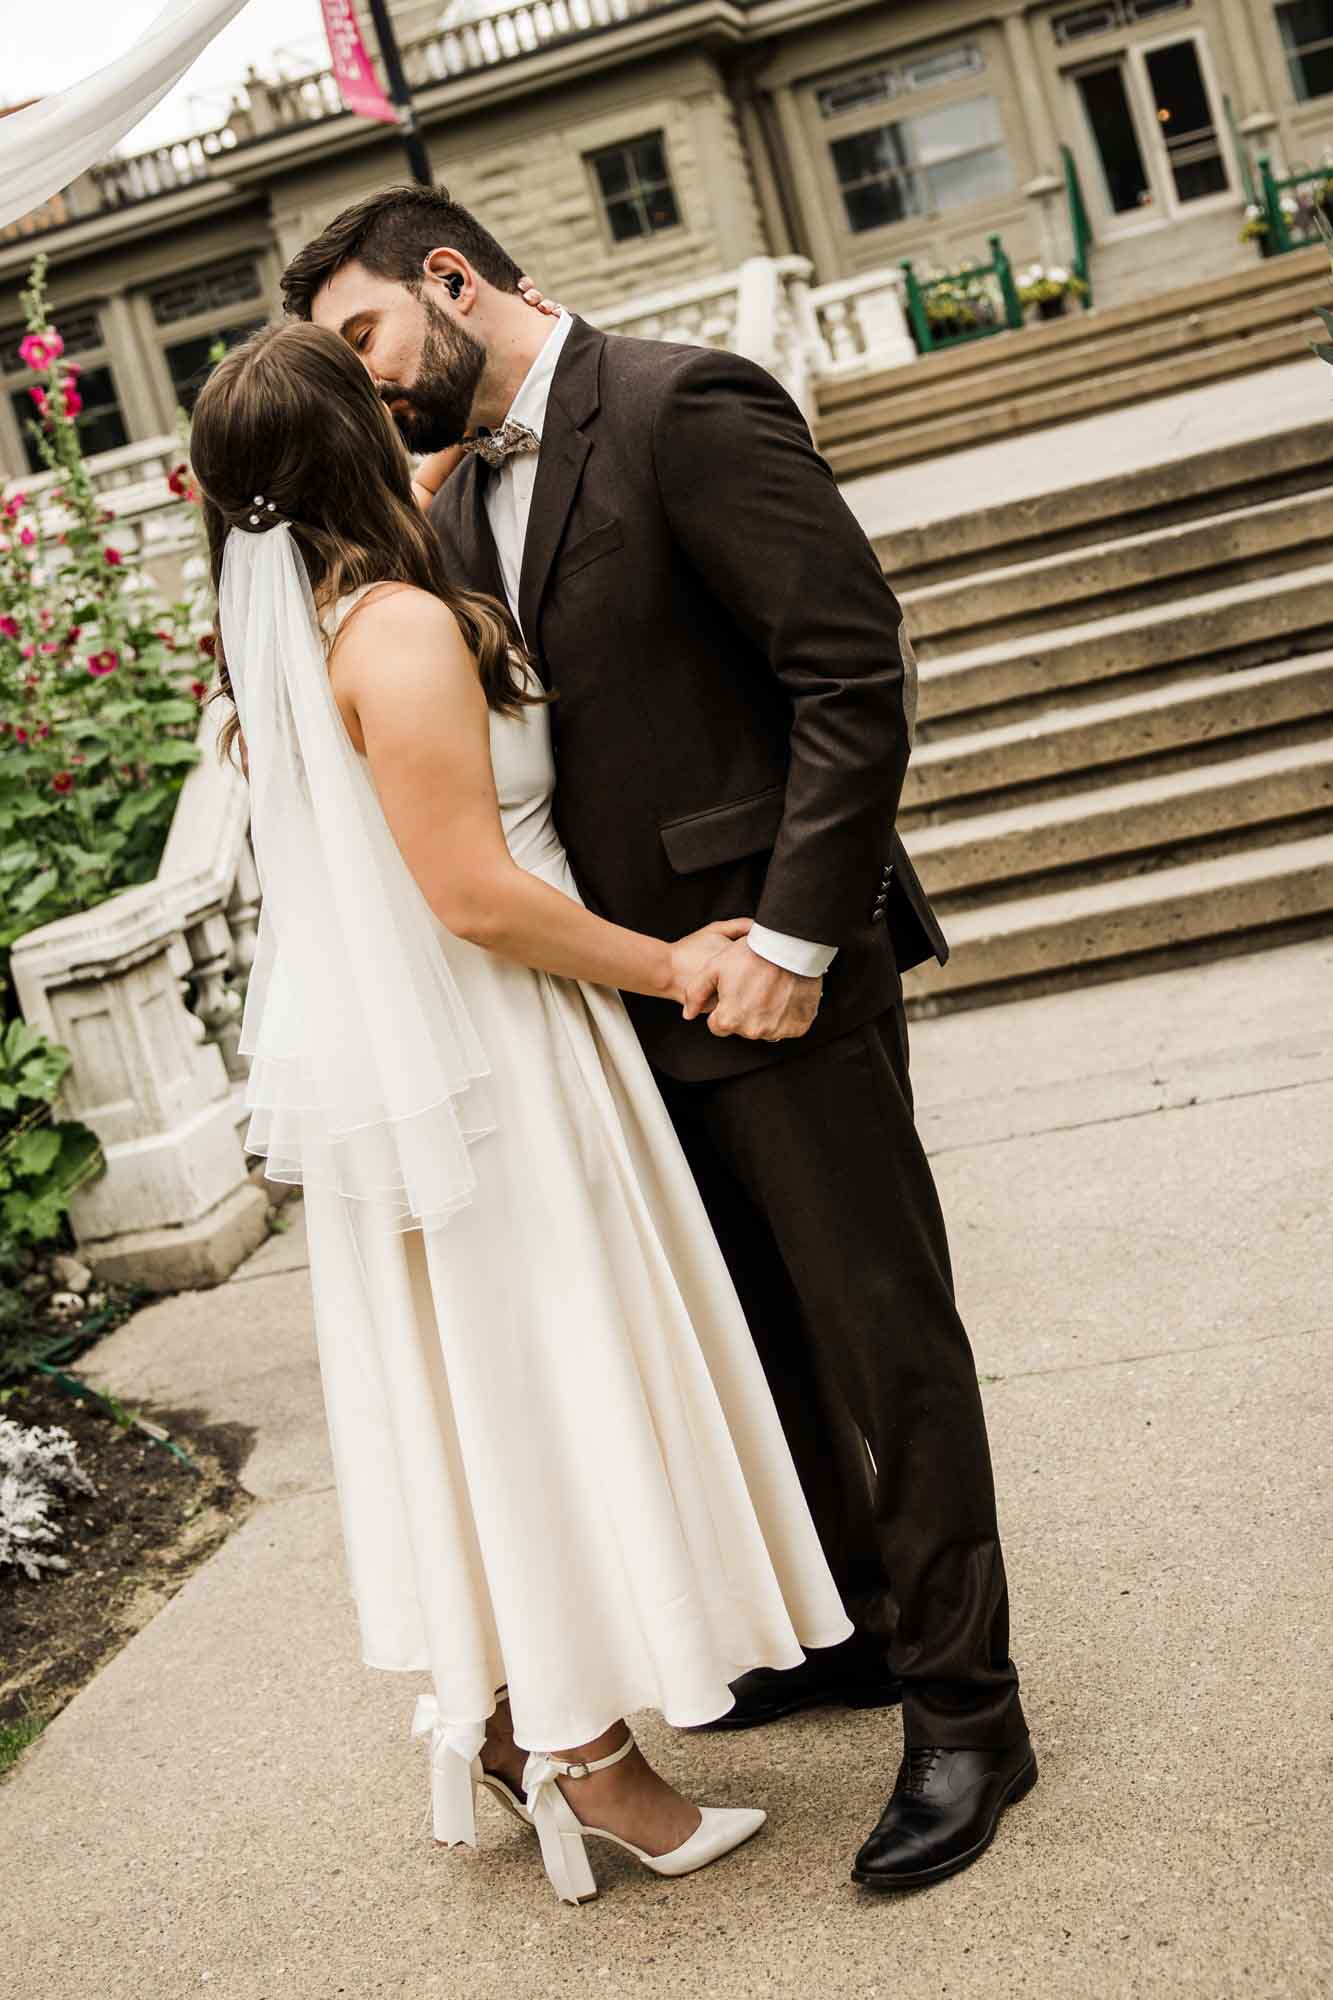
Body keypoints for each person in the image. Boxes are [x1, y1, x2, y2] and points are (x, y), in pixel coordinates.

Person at [279, 185, 1037, 1892]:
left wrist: (792, 935)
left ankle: (970, 1716)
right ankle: (846, 1633)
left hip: (772, 974)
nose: (364, 378)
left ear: (451, 279)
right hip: (610, 1002)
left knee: (876, 1341)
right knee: (754, 1341)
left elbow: (847, 673)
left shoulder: (685, 403)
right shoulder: (444, 495)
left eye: (368, 336)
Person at [189, 320, 859, 1908]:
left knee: (486, 1384)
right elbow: (475, 893)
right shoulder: (403, 632)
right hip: (503, 1043)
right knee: (542, 1381)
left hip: (430, 1055)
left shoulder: (309, 622)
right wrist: (673, 962)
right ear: (352, 445)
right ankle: (590, 1763)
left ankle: (509, 1724)